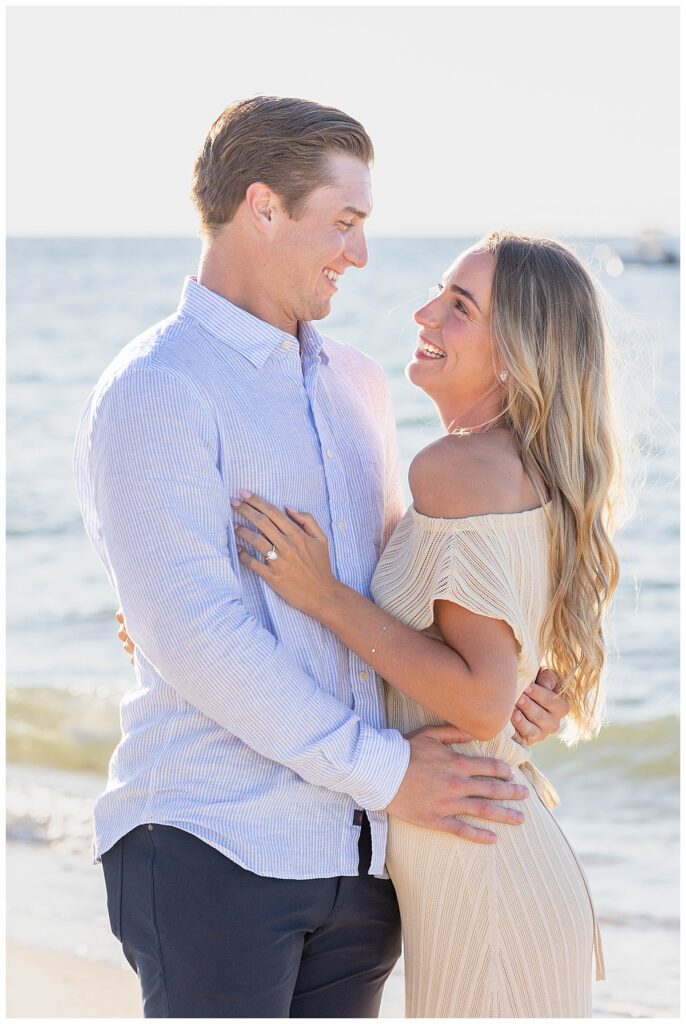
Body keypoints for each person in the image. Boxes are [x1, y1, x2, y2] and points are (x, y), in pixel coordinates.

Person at [74, 97, 567, 1019]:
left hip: (363, 862)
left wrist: (509, 686)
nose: (361, 254)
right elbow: (199, 639)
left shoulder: (358, 385)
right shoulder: (156, 389)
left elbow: (395, 603)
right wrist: (392, 773)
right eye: (344, 223)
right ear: (263, 208)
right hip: (213, 843)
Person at [232, 232, 623, 1016]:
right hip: (494, 866)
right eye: (440, 293)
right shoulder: (516, 466)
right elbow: (501, 684)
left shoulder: (456, 469)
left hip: (488, 888)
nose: (424, 313)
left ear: (518, 351)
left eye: (459, 307)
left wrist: (322, 595)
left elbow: (481, 700)